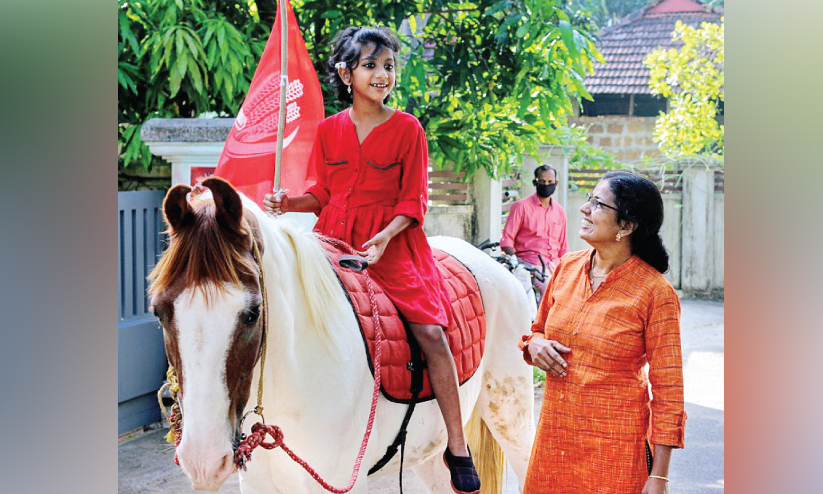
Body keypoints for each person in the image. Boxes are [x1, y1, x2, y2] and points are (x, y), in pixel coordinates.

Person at [263, 26, 480, 494]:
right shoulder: (328, 131)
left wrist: (383, 239)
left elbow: (414, 202)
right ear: (346, 74)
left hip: (394, 246)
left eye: (388, 66)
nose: (382, 74)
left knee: (431, 332)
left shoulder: (408, 129)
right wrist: (289, 203)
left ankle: (458, 444)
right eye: (370, 65)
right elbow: (324, 194)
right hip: (333, 241)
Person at [519, 170, 686, 494]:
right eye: (589, 200)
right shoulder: (566, 267)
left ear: (626, 226)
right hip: (554, 446)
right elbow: (536, 330)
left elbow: (669, 391)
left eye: (598, 204)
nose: (584, 208)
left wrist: (660, 477)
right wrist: (535, 345)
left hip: (615, 454)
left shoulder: (655, 293)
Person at [500, 165, 569, 298]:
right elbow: (507, 241)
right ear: (535, 182)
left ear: (556, 183)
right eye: (542, 181)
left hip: (554, 264)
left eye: (550, 181)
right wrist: (515, 262)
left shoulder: (560, 211)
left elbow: (564, 247)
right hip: (530, 262)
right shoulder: (521, 207)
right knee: (550, 291)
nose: (546, 185)